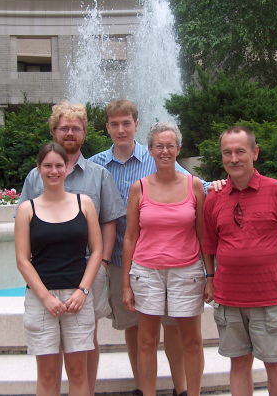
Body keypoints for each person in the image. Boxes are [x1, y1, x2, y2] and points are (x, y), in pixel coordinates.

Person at [89, 100, 212, 396]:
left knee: (174, 329)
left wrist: (222, 185)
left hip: (177, 265)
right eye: (114, 124)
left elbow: (197, 201)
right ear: (107, 127)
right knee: (136, 330)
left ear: (135, 125)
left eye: (126, 123)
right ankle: (142, 388)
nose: (121, 129)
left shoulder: (160, 161)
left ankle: (181, 389)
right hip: (124, 260)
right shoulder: (98, 165)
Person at [17, 101, 126, 395]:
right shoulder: (33, 178)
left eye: (76, 128)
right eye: (64, 127)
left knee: (87, 344)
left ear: (84, 133)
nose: (70, 133)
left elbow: (108, 222)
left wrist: (101, 263)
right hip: (47, 282)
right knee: (49, 372)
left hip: (88, 274)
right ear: (54, 130)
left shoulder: (98, 174)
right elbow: (24, 234)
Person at [202, 126, 277, 396]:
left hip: (270, 298)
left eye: (240, 151)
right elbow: (210, 245)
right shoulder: (214, 197)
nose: (233, 158)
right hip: (229, 299)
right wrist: (210, 279)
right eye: (227, 152)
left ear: (255, 153)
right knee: (238, 363)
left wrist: (272, 271)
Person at [121, 122, 207, 396]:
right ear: (151, 150)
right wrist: (125, 284)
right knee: (147, 341)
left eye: (170, 146)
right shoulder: (140, 188)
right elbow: (130, 238)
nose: (165, 151)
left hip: (187, 272)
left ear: (178, 149)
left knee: (191, 341)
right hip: (147, 273)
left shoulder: (194, 186)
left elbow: (204, 236)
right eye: (159, 146)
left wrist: (211, 277)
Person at [14, 142, 103, 396]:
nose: (54, 171)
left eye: (59, 165)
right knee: (48, 375)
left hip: (77, 299)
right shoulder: (26, 210)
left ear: (67, 167)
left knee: (78, 373)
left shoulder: (84, 203)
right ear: (39, 168)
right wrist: (46, 298)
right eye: (47, 166)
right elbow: (22, 260)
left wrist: (83, 291)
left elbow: (96, 251)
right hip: (41, 300)